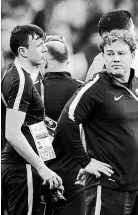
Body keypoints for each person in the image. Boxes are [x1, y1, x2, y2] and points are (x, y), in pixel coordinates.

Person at [55, 29, 138, 215]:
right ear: (103, 56)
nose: (115, 58)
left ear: (132, 55)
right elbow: (66, 122)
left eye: (121, 53)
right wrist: (85, 162)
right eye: (110, 54)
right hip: (109, 187)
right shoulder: (96, 87)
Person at [85, 10, 138, 186]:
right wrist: (85, 161)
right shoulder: (100, 64)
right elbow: (81, 114)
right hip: (114, 150)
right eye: (131, 29)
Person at [1, 24, 63, 215]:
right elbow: (12, 132)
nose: (45, 48)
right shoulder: (21, 79)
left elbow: (31, 122)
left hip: (23, 165)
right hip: (22, 167)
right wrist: (41, 167)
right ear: (22, 51)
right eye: (38, 45)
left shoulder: (15, 72)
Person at [36, 35, 85, 215]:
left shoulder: (32, 91)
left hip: (40, 175)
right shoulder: (84, 90)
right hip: (77, 178)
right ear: (67, 61)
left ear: (45, 60)